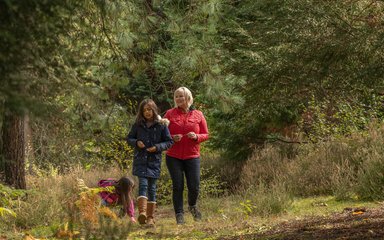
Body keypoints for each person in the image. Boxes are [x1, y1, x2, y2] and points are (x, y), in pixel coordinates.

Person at [164, 87, 209, 225]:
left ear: (188, 98)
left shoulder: (198, 114)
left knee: (194, 186)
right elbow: (161, 134)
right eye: (176, 96)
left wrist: (196, 136)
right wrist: (172, 137)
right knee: (178, 186)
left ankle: (192, 206)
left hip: (192, 155)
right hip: (173, 156)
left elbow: (206, 134)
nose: (178, 99)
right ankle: (179, 215)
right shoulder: (169, 114)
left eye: (181, 96)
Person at [127, 99, 174, 225]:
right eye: (144, 110)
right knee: (143, 185)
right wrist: (136, 142)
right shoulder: (137, 124)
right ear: (141, 112)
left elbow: (169, 142)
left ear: (154, 110)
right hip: (140, 160)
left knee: (152, 189)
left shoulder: (161, 125)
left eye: (149, 109)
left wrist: (157, 147)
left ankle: (150, 218)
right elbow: (129, 138)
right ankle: (142, 213)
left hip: (154, 162)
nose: (147, 112)